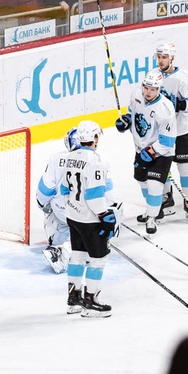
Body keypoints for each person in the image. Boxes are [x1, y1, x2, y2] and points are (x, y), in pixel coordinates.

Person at [59, 120, 116, 318]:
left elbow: (63, 189)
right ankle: (90, 301)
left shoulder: (69, 157)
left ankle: (74, 299)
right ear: (96, 138)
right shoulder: (97, 161)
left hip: (72, 216)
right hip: (90, 219)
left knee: (77, 256)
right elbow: (94, 196)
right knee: (98, 260)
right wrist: (105, 215)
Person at [116, 68, 176, 235]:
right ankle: (153, 208)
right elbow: (131, 114)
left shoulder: (165, 108)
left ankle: (152, 217)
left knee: (154, 184)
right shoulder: (136, 96)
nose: (148, 92)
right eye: (146, 88)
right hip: (140, 148)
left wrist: (152, 151)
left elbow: (168, 140)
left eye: (153, 89)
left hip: (162, 152)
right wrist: (125, 122)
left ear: (159, 89)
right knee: (141, 180)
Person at [154, 41, 188, 223]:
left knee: (185, 167)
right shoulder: (152, 76)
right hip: (160, 133)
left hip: (181, 131)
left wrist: (178, 104)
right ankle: (166, 200)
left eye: (164, 57)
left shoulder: (185, 77)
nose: (160, 61)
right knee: (162, 168)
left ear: (172, 57)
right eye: (158, 57)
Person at [34, 127, 79, 274]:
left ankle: (58, 246)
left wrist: (43, 205)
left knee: (56, 219)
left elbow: (46, 189)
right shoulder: (98, 160)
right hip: (87, 215)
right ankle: (73, 249)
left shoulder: (57, 158)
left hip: (62, 212)